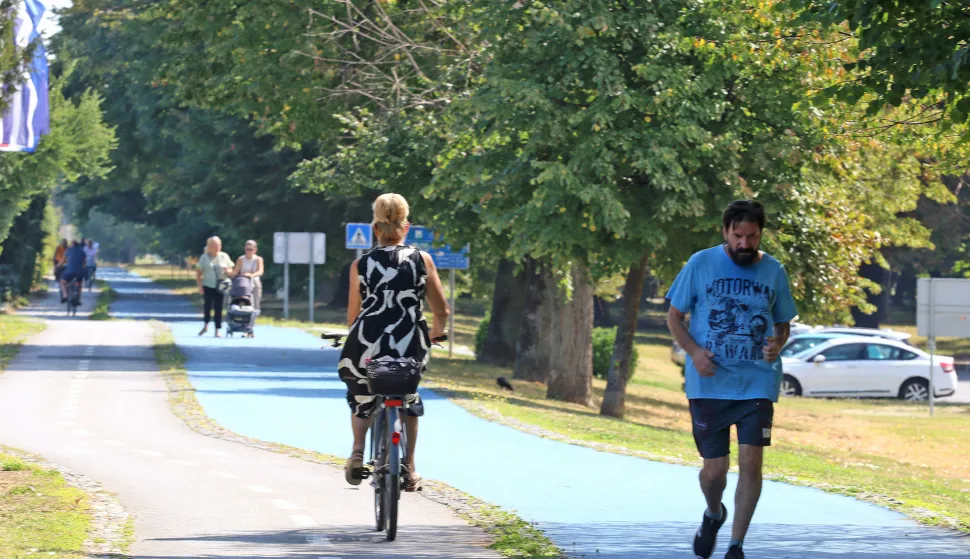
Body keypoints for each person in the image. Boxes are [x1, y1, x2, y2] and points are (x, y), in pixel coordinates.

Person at [665, 200, 797, 559]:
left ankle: (736, 545)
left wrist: (777, 343)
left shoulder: (774, 271)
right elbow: (674, 317)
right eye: (737, 235)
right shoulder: (700, 263)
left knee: (751, 463)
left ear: (761, 234)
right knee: (714, 473)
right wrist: (694, 353)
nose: (744, 243)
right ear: (725, 232)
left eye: (751, 236)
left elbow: (783, 323)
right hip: (709, 384)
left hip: (757, 383)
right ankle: (714, 513)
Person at [338, 193, 449, 492]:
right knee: (409, 399)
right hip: (409, 343)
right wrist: (436, 333)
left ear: (375, 229)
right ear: (406, 227)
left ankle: (357, 452)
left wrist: (358, 336)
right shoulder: (421, 260)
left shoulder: (361, 264)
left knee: (361, 395)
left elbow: (353, 316)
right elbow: (442, 310)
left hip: (367, 344)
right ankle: (410, 469)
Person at [195, 236, 235, 337]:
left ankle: (217, 330)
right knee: (207, 307)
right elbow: (198, 274)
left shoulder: (224, 256)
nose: (218, 247)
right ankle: (206, 325)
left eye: (219, 245)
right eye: (215, 245)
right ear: (210, 246)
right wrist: (200, 286)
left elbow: (231, 270)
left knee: (218, 308)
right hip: (208, 285)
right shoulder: (204, 257)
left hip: (220, 286)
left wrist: (227, 270)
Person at [232, 240, 264, 311]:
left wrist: (251, 275)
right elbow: (235, 271)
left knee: (256, 290)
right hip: (243, 281)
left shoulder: (258, 259)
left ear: (255, 250)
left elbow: (260, 271)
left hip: (254, 280)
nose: (249, 251)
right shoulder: (241, 259)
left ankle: (256, 310)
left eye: (251, 249)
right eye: (247, 249)